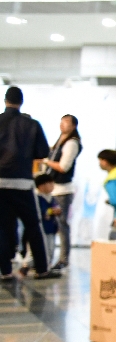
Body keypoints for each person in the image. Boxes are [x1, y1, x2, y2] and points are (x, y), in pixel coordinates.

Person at [0, 87, 58, 280]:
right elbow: (42, 152)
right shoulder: (32, 124)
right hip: (23, 183)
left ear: (5, 100)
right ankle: (42, 268)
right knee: (33, 225)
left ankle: (5, 270)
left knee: (2, 226)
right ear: (21, 102)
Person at [40, 114, 80, 269]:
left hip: (62, 190)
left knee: (61, 224)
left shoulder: (71, 143)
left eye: (66, 122)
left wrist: (46, 162)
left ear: (74, 126)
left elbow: (63, 166)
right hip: (52, 189)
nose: (62, 125)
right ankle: (49, 256)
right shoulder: (60, 141)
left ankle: (63, 258)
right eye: (61, 122)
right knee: (51, 224)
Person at [17, 174, 60, 274]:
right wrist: (50, 211)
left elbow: (56, 210)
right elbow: (41, 212)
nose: (52, 185)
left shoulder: (52, 198)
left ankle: (46, 267)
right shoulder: (38, 198)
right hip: (41, 230)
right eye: (49, 183)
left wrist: (57, 213)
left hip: (51, 229)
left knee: (50, 249)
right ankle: (26, 266)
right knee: (35, 250)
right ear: (41, 186)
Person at [98, 150, 116, 241]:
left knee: (114, 238)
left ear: (105, 161)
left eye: (100, 160)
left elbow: (115, 200)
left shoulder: (111, 179)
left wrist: (108, 201)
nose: (99, 164)